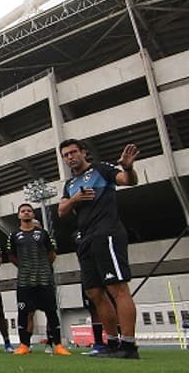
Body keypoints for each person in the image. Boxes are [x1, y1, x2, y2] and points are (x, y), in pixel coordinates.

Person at [58, 139, 140, 359]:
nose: (70, 157)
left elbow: (127, 180)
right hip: (85, 240)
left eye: (73, 152)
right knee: (94, 293)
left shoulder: (101, 170)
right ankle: (111, 343)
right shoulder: (70, 184)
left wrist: (128, 167)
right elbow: (61, 211)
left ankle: (129, 346)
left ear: (83, 152)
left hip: (108, 234)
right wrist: (75, 198)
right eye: (65, 155)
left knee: (117, 288)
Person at [7, 203, 70, 356]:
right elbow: (12, 256)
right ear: (19, 215)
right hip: (25, 280)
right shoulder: (14, 235)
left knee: (51, 311)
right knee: (25, 313)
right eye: (23, 211)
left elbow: (52, 254)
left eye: (29, 211)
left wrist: (41, 267)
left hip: (44, 279)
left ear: (33, 214)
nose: (26, 213)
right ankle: (24, 345)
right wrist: (25, 268)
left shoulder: (43, 234)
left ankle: (58, 345)